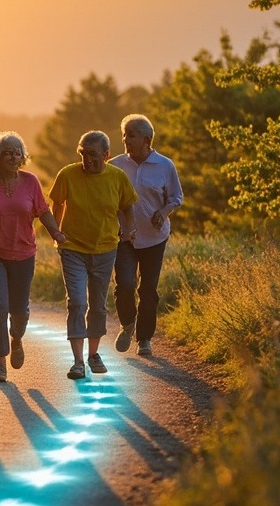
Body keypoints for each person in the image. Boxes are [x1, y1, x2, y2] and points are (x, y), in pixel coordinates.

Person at [0, 132, 65, 383]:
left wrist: (57, 232)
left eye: (16, 152)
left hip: (23, 252)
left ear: (22, 157)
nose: (11, 156)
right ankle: (0, 364)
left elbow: (43, 211)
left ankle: (16, 338)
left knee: (19, 310)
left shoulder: (31, 182)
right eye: (6, 152)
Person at [48, 130, 138, 380]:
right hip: (73, 248)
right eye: (83, 154)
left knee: (97, 305)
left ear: (106, 155)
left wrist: (129, 232)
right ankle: (78, 362)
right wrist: (56, 231)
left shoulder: (117, 177)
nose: (87, 160)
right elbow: (57, 203)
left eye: (93, 155)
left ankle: (94, 354)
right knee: (77, 302)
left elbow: (128, 206)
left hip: (106, 248)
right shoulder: (67, 174)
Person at [111, 114, 183, 357]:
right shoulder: (116, 165)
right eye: (124, 134)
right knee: (125, 285)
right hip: (124, 237)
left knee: (148, 289)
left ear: (147, 139)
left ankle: (144, 339)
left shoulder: (165, 166)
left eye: (131, 135)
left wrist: (163, 212)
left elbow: (176, 197)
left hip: (154, 238)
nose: (126, 139)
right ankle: (127, 324)